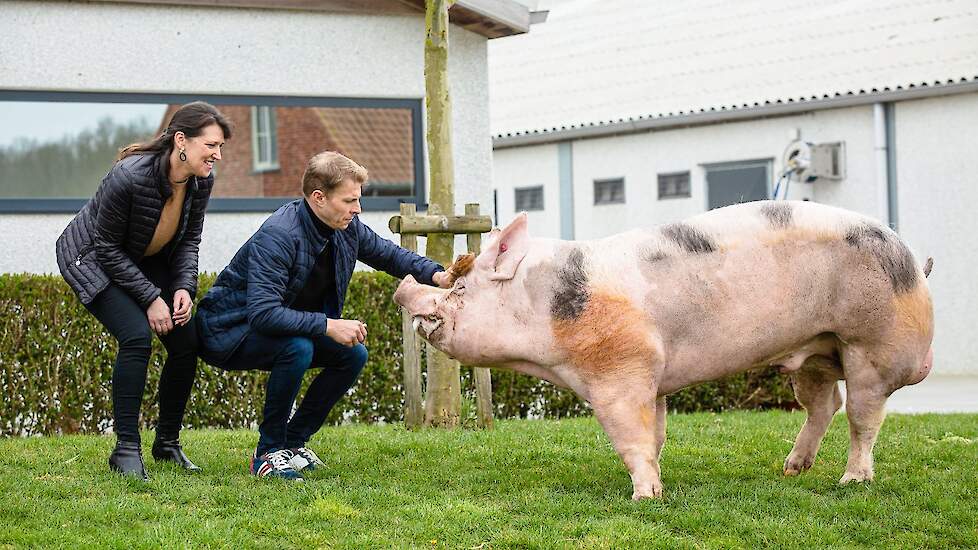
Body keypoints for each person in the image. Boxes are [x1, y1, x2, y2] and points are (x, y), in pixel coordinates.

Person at [195, 151, 452, 480]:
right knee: (298, 347)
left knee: (353, 354)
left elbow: (389, 255)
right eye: (349, 201)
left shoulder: (347, 227)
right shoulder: (279, 235)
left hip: (284, 330)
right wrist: (328, 325)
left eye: (357, 200)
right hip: (229, 332)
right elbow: (262, 314)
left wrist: (438, 275)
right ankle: (267, 453)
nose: (357, 209)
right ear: (318, 198)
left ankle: (292, 442)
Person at [55, 101, 232, 480]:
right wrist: (152, 298)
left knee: (187, 342)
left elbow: (188, 242)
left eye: (221, 148)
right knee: (136, 337)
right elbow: (105, 248)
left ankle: (166, 444)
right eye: (211, 146)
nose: (217, 155)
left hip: (140, 255)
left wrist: (183, 287)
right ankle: (125, 449)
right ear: (181, 140)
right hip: (91, 258)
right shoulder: (128, 176)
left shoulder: (201, 180)